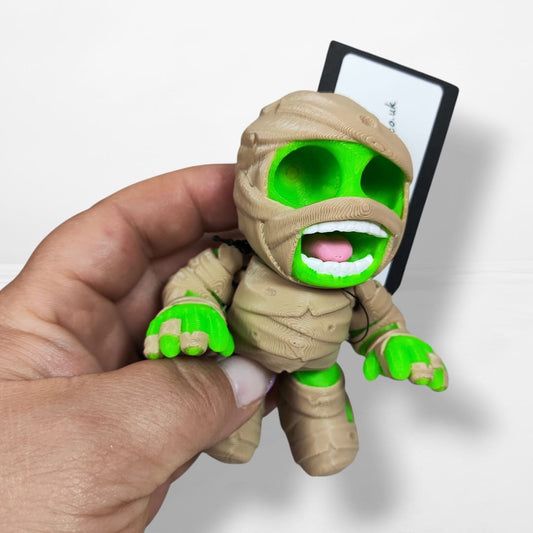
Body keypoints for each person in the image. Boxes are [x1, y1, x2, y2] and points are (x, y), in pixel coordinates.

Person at [0, 164, 274, 532]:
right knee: (238, 437)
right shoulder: (233, 255)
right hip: (245, 354)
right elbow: (196, 281)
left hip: (316, 372)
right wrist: (193, 307)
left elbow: (363, 318)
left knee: (322, 410)